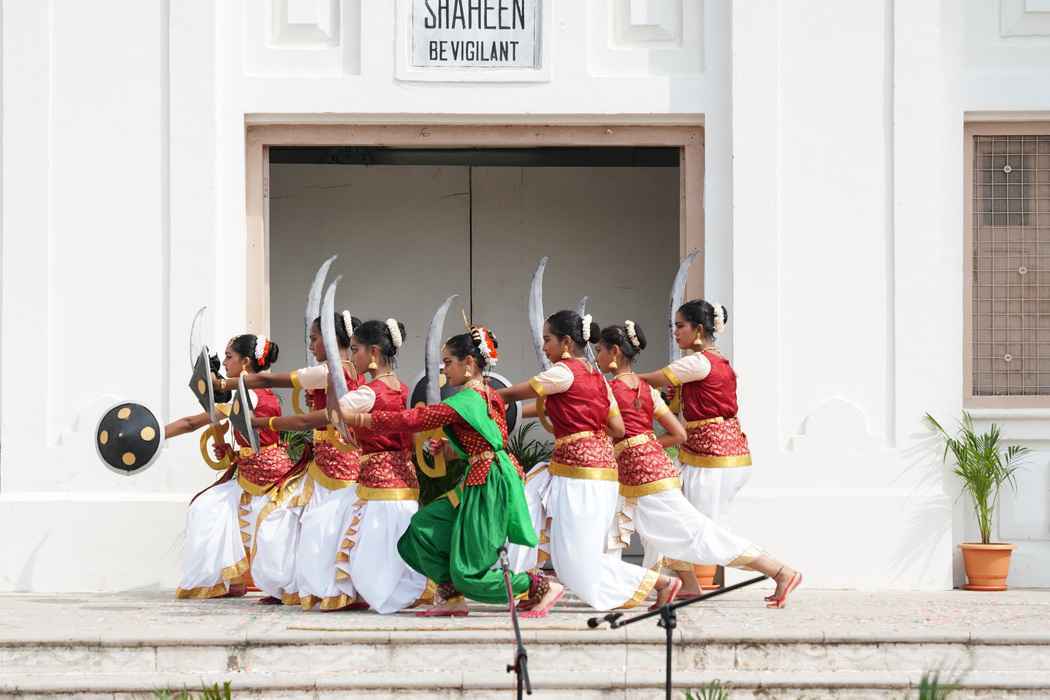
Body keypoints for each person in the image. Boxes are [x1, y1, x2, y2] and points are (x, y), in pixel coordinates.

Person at [341, 326, 564, 617]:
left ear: (468, 363)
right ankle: (451, 597)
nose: (444, 370)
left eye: (448, 362)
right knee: (422, 530)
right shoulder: (488, 395)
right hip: (479, 477)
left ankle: (539, 586)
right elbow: (487, 440)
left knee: (470, 575)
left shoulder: (465, 401)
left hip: (489, 484)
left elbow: (415, 418)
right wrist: (452, 448)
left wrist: (359, 418)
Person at [600, 321, 802, 607]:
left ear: (615, 352)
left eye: (600, 350)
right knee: (649, 533)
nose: (597, 356)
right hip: (653, 471)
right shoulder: (647, 390)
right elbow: (679, 434)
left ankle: (780, 571)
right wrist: (645, 445)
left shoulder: (615, 389)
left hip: (658, 473)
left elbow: (619, 428)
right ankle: (671, 586)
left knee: (700, 535)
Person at [499, 310, 682, 612]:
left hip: (579, 475)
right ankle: (531, 585)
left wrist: (481, 393)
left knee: (576, 561)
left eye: (548, 339)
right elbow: (617, 428)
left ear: (566, 342)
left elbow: (512, 395)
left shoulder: (563, 371)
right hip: (597, 472)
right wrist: (585, 431)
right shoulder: (599, 379)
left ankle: (660, 582)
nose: (544, 347)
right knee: (570, 557)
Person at [165, 335, 302, 601]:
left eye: (229, 357)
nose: (225, 363)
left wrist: (156, 435)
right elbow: (251, 438)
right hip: (250, 474)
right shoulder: (255, 393)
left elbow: (191, 423)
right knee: (208, 508)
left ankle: (279, 587)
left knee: (267, 534)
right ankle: (229, 581)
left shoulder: (248, 394)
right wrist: (233, 452)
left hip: (267, 479)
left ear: (245, 362)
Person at [244, 312, 365, 610]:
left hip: (337, 469)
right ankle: (295, 586)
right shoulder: (343, 371)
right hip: (322, 464)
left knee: (320, 527)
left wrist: (225, 385)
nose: (310, 346)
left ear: (331, 339)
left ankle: (331, 590)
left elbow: (270, 379)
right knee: (291, 520)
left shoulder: (333, 371)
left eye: (314, 339)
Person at [331, 319, 430, 613]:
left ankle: (387, 595)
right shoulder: (405, 390)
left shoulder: (369, 393)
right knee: (397, 540)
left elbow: (335, 412)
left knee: (373, 546)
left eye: (356, 350)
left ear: (373, 352)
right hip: (406, 480)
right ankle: (408, 591)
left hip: (378, 483)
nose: (353, 357)